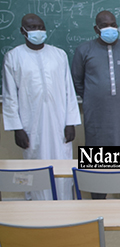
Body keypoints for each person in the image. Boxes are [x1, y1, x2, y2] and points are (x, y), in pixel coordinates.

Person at [2, 14, 79, 200]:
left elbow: (69, 90)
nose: (38, 31)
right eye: (32, 27)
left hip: (60, 124)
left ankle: (64, 207)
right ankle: (36, 209)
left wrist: (71, 122)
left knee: (63, 165)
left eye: (40, 26)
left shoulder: (59, 54)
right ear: (23, 31)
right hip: (31, 126)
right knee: (34, 168)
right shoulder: (13, 57)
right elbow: (9, 96)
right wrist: (17, 128)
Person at [72, 10, 120, 199]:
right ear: (96, 28)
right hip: (96, 115)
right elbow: (78, 82)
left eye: (113, 24)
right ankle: (98, 201)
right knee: (97, 155)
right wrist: (95, 98)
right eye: (104, 25)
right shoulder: (83, 50)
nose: (110, 28)